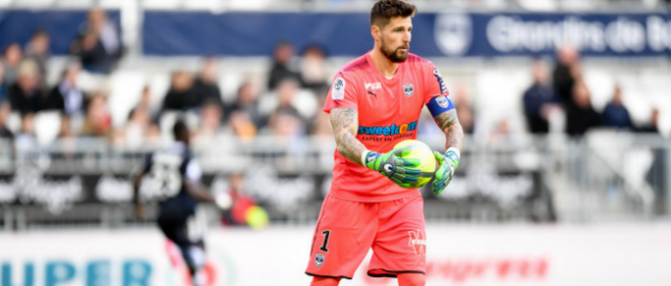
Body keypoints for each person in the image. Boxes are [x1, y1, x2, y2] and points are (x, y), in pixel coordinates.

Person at [305, 1, 464, 285]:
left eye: (409, 29)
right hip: (352, 197)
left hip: (401, 198)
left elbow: (453, 126)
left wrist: (452, 157)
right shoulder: (350, 76)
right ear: (376, 33)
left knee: (414, 281)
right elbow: (344, 139)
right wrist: (376, 161)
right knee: (325, 282)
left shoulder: (425, 71)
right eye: (398, 30)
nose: (407, 37)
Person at [133, 120, 217, 286]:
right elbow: (192, 187)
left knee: (184, 245)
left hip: (162, 212)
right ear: (184, 134)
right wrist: (215, 199)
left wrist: (137, 203)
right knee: (198, 245)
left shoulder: (157, 153)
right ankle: (189, 259)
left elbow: (137, 178)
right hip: (182, 210)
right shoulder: (187, 156)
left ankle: (186, 264)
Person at [523, 60, 560, 134]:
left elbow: (559, 104)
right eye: (537, 71)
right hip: (535, 130)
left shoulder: (552, 91)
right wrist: (542, 110)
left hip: (553, 131)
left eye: (542, 71)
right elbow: (528, 110)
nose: (540, 74)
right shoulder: (528, 93)